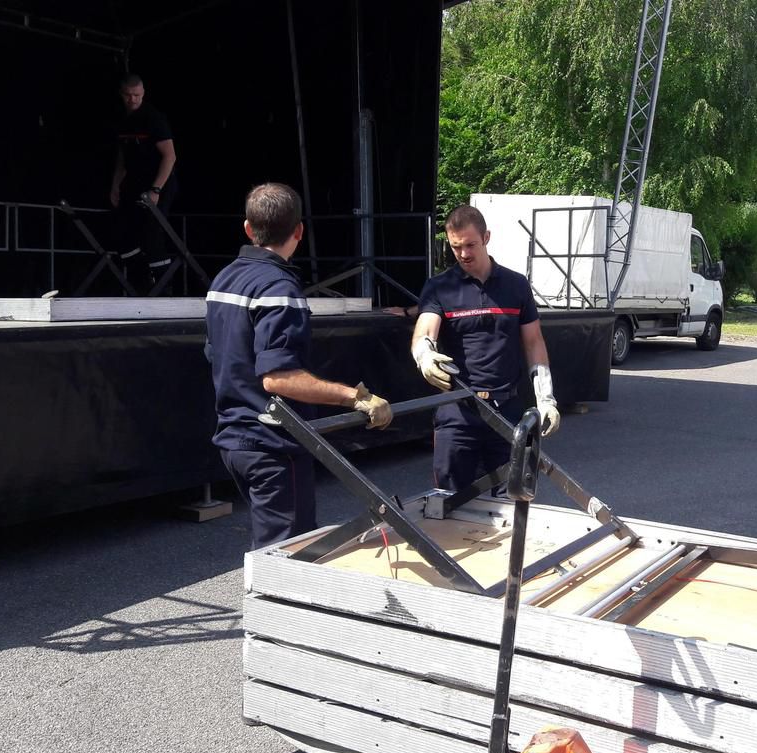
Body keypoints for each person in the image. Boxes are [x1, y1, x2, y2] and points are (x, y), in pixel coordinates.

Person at [206, 183, 393, 549]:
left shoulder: (223, 280)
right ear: (299, 231)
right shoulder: (278, 287)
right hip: (271, 443)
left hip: (233, 438)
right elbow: (279, 378)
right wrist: (355, 397)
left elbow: (216, 353)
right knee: (288, 560)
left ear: (248, 228)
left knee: (275, 549)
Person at [411, 204, 560, 491]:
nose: (464, 254)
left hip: (506, 408)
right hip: (457, 409)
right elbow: (424, 330)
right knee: (449, 502)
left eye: (470, 245)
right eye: (456, 247)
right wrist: (423, 353)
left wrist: (546, 398)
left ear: (486, 237)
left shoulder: (516, 285)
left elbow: (534, 341)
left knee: (511, 501)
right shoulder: (439, 287)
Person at [110, 74, 178, 288]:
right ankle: (141, 283)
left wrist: (156, 189)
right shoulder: (122, 119)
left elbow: (170, 155)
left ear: (143, 93)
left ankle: (163, 289)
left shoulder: (153, 118)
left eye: (137, 95)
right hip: (134, 182)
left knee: (152, 234)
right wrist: (115, 185)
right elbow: (123, 155)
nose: (133, 100)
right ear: (122, 95)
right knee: (124, 234)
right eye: (128, 96)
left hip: (157, 183)